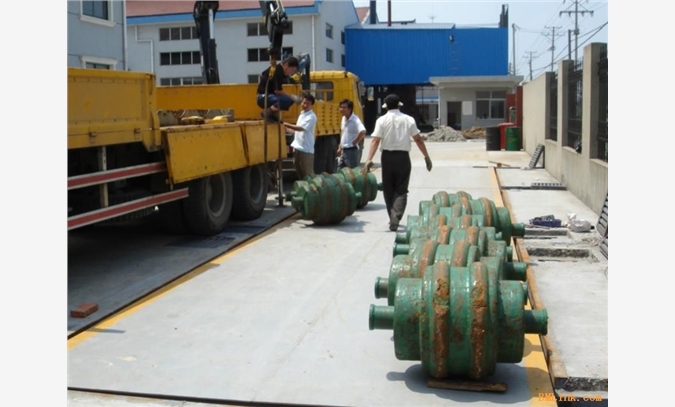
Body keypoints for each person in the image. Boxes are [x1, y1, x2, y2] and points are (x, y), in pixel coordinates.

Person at [364, 94, 433, 231]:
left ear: (385, 107)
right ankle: (396, 216)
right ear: (399, 105)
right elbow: (418, 139)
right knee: (401, 190)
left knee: (388, 189)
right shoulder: (408, 119)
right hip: (403, 158)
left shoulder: (381, 120)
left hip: (387, 158)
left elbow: (375, 140)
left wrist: (369, 160)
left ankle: (392, 217)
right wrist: (426, 156)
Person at [256, 56, 301, 122]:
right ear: (286, 65)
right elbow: (278, 91)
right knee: (286, 100)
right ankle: (266, 113)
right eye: (292, 70)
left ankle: (273, 114)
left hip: (269, 96)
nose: (291, 73)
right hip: (263, 97)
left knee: (288, 100)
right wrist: (292, 96)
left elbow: (263, 73)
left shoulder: (279, 71)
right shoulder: (277, 70)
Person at [284, 93, 317, 180]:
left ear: (312, 105)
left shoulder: (312, 116)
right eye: (303, 102)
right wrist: (288, 130)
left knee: (308, 174)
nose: (304, 105)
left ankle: (313, 191)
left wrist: (285, 123)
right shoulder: (302, 114)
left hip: (306, 150)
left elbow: (301, 128)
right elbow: (297, 132)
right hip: (298, 147)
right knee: (300, 172)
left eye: (307, 103)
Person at [336, 99, 367, 169]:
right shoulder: (343, 118)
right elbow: (343, 133)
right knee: (340, 172)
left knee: (352, 174)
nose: (341, 109)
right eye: (340, 107)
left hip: (351, 151)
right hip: (344, 150)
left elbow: (363, 131)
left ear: (350, 109)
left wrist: (356, 141)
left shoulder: (355, 120)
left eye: (344, 108)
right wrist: (340, 147)